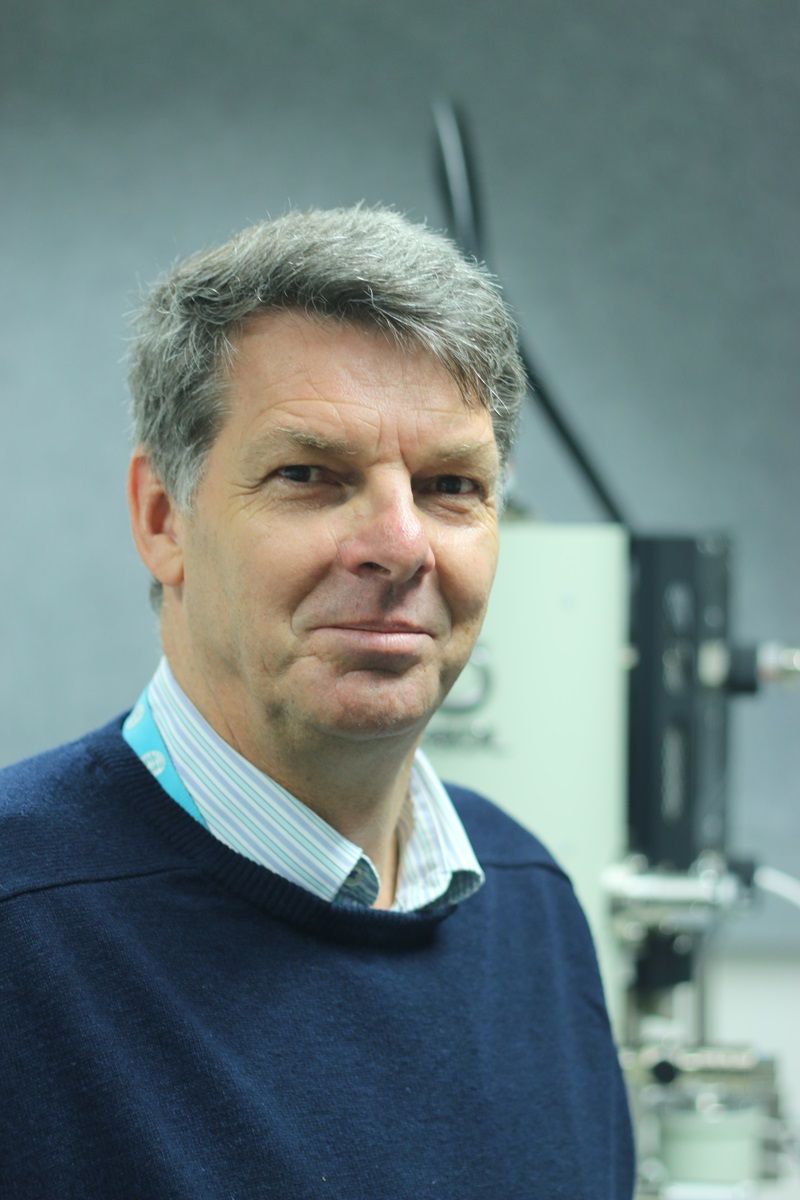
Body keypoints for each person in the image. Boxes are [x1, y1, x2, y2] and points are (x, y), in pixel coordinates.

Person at [0, 207, 634, 1198]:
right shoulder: (21, 917)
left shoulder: (531, 903)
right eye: (309, 475)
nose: (397, 543)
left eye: (449, 485)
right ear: (163, 518)